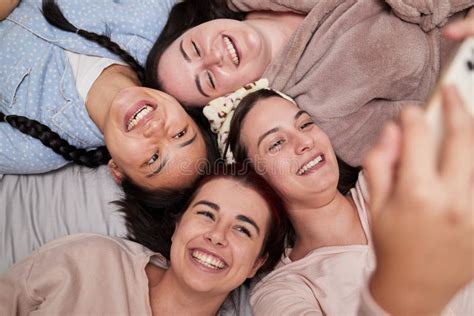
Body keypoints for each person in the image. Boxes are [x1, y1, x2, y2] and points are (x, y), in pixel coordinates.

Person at [225, 87, 472, 315]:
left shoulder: (389, 178)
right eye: (276, 143)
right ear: (257, 180)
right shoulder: (282, 289)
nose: (305, 142)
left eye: (305, 124)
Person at [146, 0, 473, 166]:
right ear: (228, 99)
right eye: (208, 79)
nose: (214, 57)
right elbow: (438, 125)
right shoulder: (326, 113)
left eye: (194, 47)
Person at [0, 165, 289, 315]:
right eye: (206, 214)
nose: (216, 236)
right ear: (177, 225)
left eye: (242, 230)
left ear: (257, 263)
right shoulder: (90, 260)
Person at [0, 0, 219, 190]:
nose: (155, 129)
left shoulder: (30, 149)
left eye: (153, 158)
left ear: (117, 170)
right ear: (184, 108)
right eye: (180, 133)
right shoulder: (152, 23)